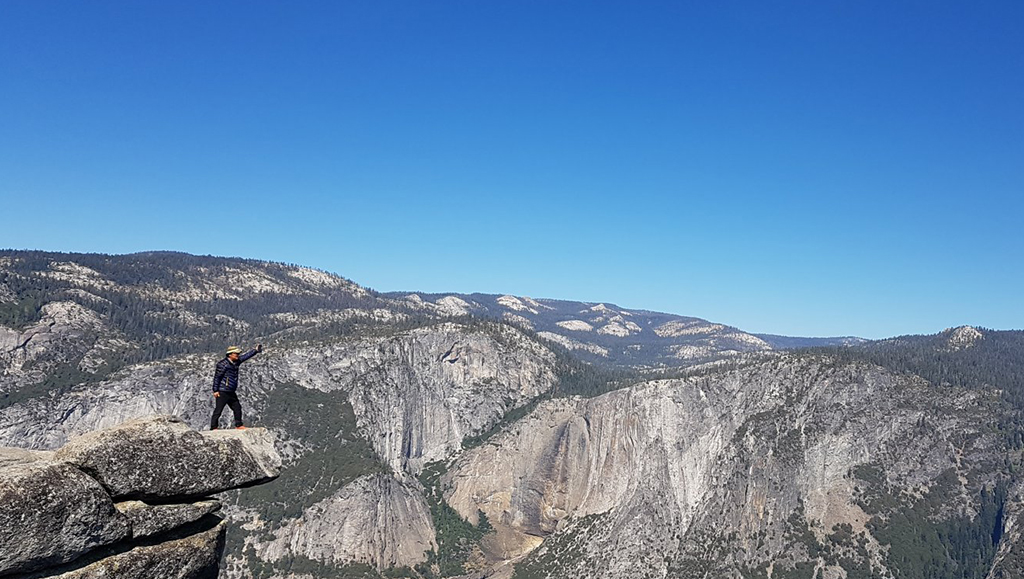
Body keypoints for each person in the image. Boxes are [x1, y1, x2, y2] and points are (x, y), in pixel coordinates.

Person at [210, 344, 262, 430]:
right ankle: (213, 427)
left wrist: (255, 350)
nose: (238, 355)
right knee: (218, 410)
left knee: (237, 408)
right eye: (236, 354)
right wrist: (215, 390)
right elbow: (217, 378)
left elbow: (246, 356)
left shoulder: (236, 362)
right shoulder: (222, 364)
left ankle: (239, 425)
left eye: (238, 354)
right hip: (223, 391)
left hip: (231, 391)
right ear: (230, 354)